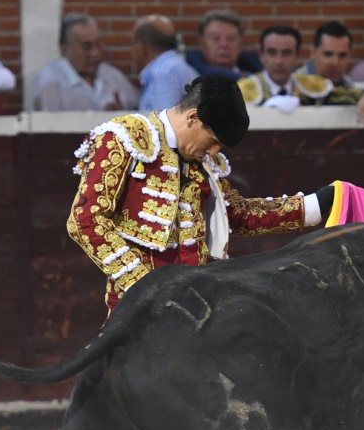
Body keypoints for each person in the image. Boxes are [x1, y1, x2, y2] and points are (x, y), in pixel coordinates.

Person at [67, 74, 335, 313]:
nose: (215, 152)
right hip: (138, 311)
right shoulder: (123, 139)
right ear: (193, 117)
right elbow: (85, 220)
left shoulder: (201, 160)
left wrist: (315, 205)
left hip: (197, 305)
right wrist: (143, 286)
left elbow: (238, 215)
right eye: (214, 141)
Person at [32, 13, 139, 112]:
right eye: (86, 47)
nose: (95, 53)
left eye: (98, 44)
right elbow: (49, 128)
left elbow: (138, 112)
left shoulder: (113, 76)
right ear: (65, 49)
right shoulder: (49, 82)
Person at [294, 21, 364, 127]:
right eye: (328, 54)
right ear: (313, 53)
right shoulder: (294, 84)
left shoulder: (348, 85)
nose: (335, 63)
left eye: (342, 56)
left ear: (350, 56)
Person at [237, 25, 334, 109]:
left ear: (297, 56)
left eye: (286, 53)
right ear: (261, 55)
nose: (279, 61)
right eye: (272, 53)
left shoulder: (315, 87)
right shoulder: (242, 92)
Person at [132, 14, 199, 112]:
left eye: (133, 43)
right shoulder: (172, 66)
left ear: (142, 47)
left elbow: (164, 124)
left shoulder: (163, 73)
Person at [184, 9, 262, 80]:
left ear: (241, 44)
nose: (223, 44)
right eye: (215, 38)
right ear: (202, 43)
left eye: (231, 38)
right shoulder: (188, 69)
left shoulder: (259, 67)